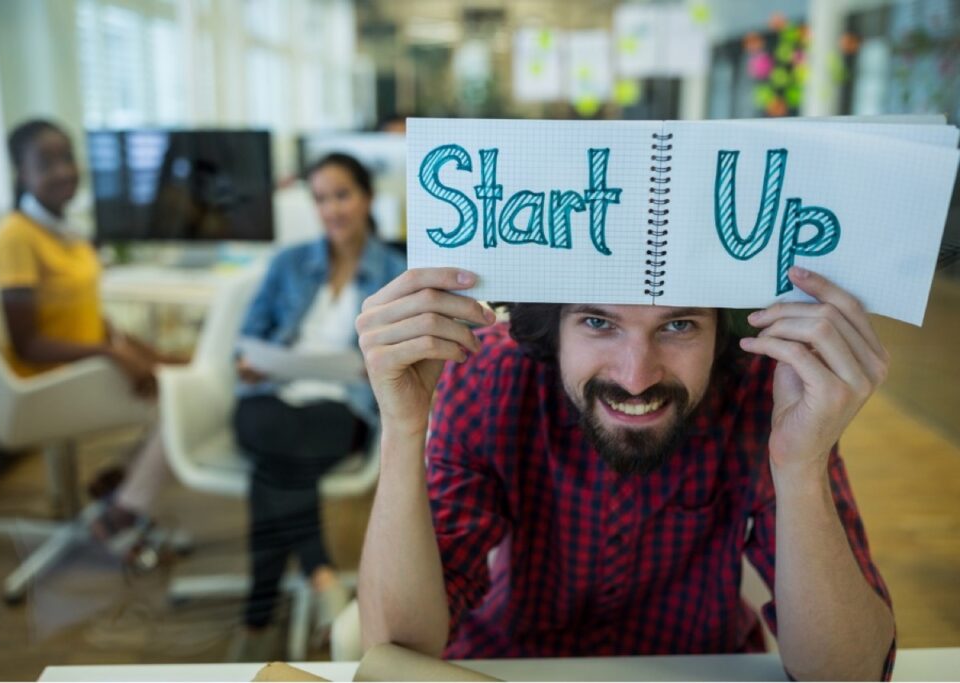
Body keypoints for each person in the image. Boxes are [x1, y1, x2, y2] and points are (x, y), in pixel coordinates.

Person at [355, 266, 896, 680]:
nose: (637, 376)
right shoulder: (490, 377)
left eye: (679, 325)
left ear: (722, 333)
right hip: (507, 665)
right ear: (553, 327)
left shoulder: (769, 392)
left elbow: (849, 675)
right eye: (599, 322)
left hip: (696, 668)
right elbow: (395, 652)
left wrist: (800, 465)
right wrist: (402, 428)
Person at [231, 153, 406, 659]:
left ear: (367, 198)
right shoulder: (289, 262)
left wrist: (377, 366)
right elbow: (247, 337)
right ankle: (320, 573)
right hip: (274, 396)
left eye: (342, 195)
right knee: (272, 437)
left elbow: (403, 355)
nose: (332, 209)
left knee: (272, 465)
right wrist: (248, 363)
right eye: (322, 198)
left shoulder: (394, 272)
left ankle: (260, 610)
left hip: (342, 405)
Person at [0, 118, 179, 555]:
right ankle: (122, 504)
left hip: (86, 361)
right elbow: (28, 344)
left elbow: (87, 316)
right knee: (185, 396)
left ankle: (118, 481)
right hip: (49, 378)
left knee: (186, 371)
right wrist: (110, 353)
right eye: (46, 162)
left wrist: (142, 351)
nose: (63, 171)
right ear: (20, 172)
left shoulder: (65, 230)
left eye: (67, 157)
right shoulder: (17, 236)